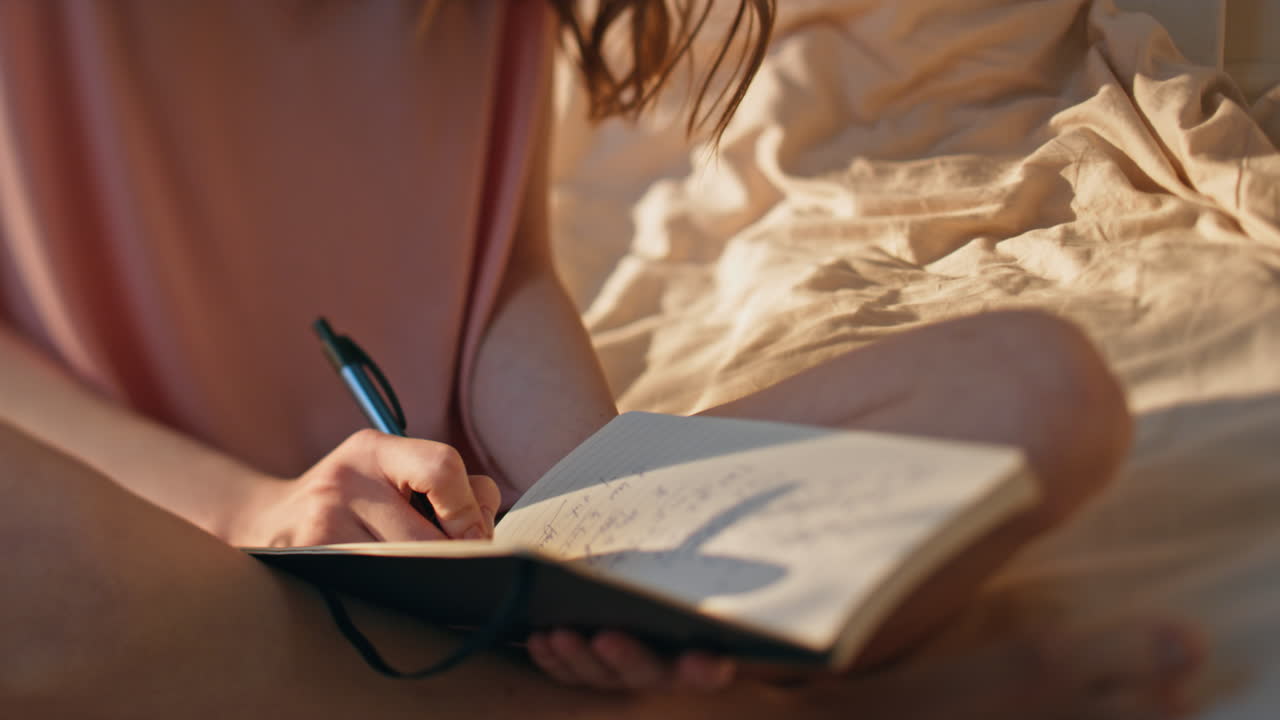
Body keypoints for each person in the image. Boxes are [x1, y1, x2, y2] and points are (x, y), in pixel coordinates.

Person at [0, 0, 1201, 715]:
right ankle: (814, 710)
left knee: (1034, 396)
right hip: (170, 537)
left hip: (462, 545)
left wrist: (603, 511)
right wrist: (255, 507)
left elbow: (499, 270)